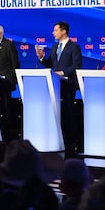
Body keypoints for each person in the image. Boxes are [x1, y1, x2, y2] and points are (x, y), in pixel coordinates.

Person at [35, 21, 82, 155]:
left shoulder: (74, 47)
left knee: (68, 113)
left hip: (68, 84)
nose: (53, 32)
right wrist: (42, 57)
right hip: (55, 86)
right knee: (57, 113)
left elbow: (76, 65)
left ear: (64, 31)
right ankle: (57, 138)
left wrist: (64, 72)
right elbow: (51, 64)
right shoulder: (55, 47)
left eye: (55, 30)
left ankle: (70, 142)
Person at [0, 23, 20, 142]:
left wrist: (11, 81)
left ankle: (7, 138)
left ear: (0, 34)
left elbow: (15, 65)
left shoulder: (8, 45)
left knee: (6, 111)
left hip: (5, 83)